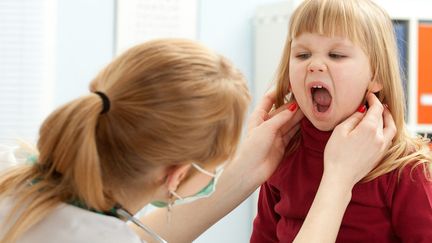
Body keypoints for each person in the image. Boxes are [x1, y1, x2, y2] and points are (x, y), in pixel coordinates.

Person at [0, 38, 394, 243]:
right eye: (303, 52)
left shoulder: (15, 184)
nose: (316, 64)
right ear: (175, 176)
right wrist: (338, 180)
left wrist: (241, 175)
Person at [251, 0, 432, 242]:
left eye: (336, 55)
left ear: (375, 75)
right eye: (303, 54)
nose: (315, 65)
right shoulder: (282, 153)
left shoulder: (405, 167)